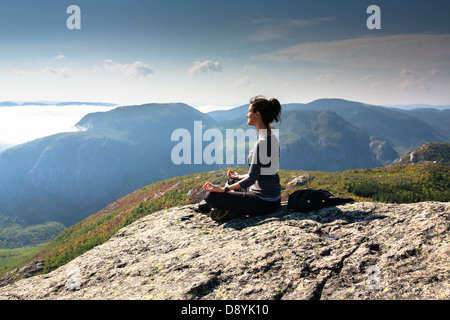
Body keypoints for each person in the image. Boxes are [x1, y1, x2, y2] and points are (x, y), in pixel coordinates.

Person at [201, 96, 282, 222]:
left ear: (257, 114)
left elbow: (252, 179)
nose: (247, 115)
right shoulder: (271, 134)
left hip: (263, 201)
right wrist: (239, 177)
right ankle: (229, 206)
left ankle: (231, 209)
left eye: (249, 111)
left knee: (211, 196)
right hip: (272, 197)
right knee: (232, 180)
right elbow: (262, 172)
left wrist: (223, 190)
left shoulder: (263, 142)